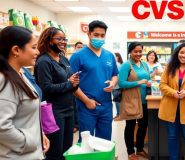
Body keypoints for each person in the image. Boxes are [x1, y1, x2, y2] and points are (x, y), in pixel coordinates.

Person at [0, 26, 49, 159]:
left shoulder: (20, 73)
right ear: (16, 50)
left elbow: (24, 116)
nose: (38, 52)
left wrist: (40, 134)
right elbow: (2, 126)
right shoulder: (5, 81)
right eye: (33, 47)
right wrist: (30, 141)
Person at [70, 20, 119, 141]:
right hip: (86, 105)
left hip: (106, 105)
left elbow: (115, 75)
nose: (99, 38)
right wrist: (86, 101)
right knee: (87, 142)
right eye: (96, 35)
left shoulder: (109, 55)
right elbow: (71, 84)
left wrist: (113, 83)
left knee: (105, 141)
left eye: (102, 35)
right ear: (89, 34)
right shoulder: (78, 56)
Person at [35, 27, 79, 160]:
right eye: (59, 39)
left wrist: (75, 82)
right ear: (49, 41)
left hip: (68, 109)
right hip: (54, 111)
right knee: (55, 151)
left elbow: (71, 83)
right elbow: (46, 88)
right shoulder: (43, 61)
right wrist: (69, 83)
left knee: (67, 149)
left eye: (64, 39)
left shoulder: (63, 59)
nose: (63, 42)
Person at [118, 42, 151, 160]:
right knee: (130, 126)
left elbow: (148, 78)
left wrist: (149, 82)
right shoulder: (126, 65)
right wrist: (139, 82)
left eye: (140, 51)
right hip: (131, 100)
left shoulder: (144, 64)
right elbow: (121, 83)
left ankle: (140, 149)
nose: (138, 54)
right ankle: (131, 152)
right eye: (135, 51)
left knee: (143, 126)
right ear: (130, 52)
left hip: (145, 100)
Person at [113, 52, 123, 120]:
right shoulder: (118, 64)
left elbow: (118, 76)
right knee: (117, 101)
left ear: (117, 57)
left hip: (117, 86)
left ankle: (119, 115)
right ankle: (118, 114)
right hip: (116, 85)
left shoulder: (117, 65)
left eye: (114, 57)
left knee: (117, 101)